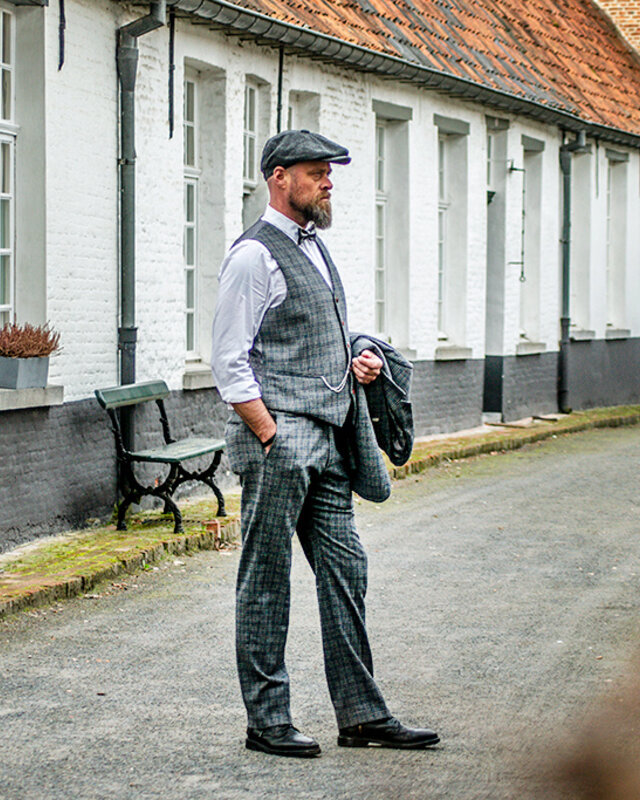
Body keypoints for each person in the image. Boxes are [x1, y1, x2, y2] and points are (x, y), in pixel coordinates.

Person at [211, 129, 439, 758]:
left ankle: (362, 715)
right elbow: (229, 362)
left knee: (347, 571)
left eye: (329, 173)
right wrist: (271, 434)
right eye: (317, 172)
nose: (328, 181)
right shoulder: (253, 256)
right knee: (266, 579)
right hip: (280, 438)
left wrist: (360, 354)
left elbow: (314, 334)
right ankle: (268, 722)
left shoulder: (315, 248)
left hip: (333, 436)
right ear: (279, 177)